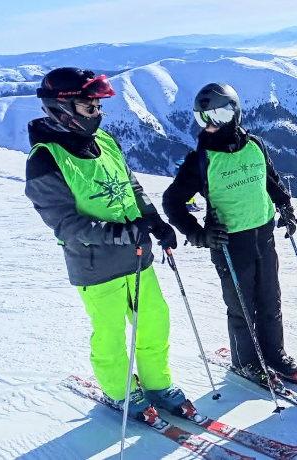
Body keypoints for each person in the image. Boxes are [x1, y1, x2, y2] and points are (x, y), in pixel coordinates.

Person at [25, 67, 190, 421]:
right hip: (96, 265)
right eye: (89, 107)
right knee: (112, 334)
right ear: (61, 109)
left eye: (99, 107)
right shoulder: (45, 160)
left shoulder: (106, 143)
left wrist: (156, 222)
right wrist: (115, 233)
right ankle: (119, 391)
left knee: (154, 322)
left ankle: (156, 384)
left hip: (138, 256)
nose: (97, 114)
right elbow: (64, 223)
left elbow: (133, 188)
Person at [162, 83, 297, 383]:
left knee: (270, 300)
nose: (212, 125)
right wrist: (198, 234)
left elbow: (271, 180)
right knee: (242, 306)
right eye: (204, 118)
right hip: (230, 243)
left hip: (264, 235)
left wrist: (286, 207)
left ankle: (274, 353)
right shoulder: (200, 159)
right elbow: (172, 202)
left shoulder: (255, 145)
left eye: (219, 115)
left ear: (235, 112)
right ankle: (245, 362)